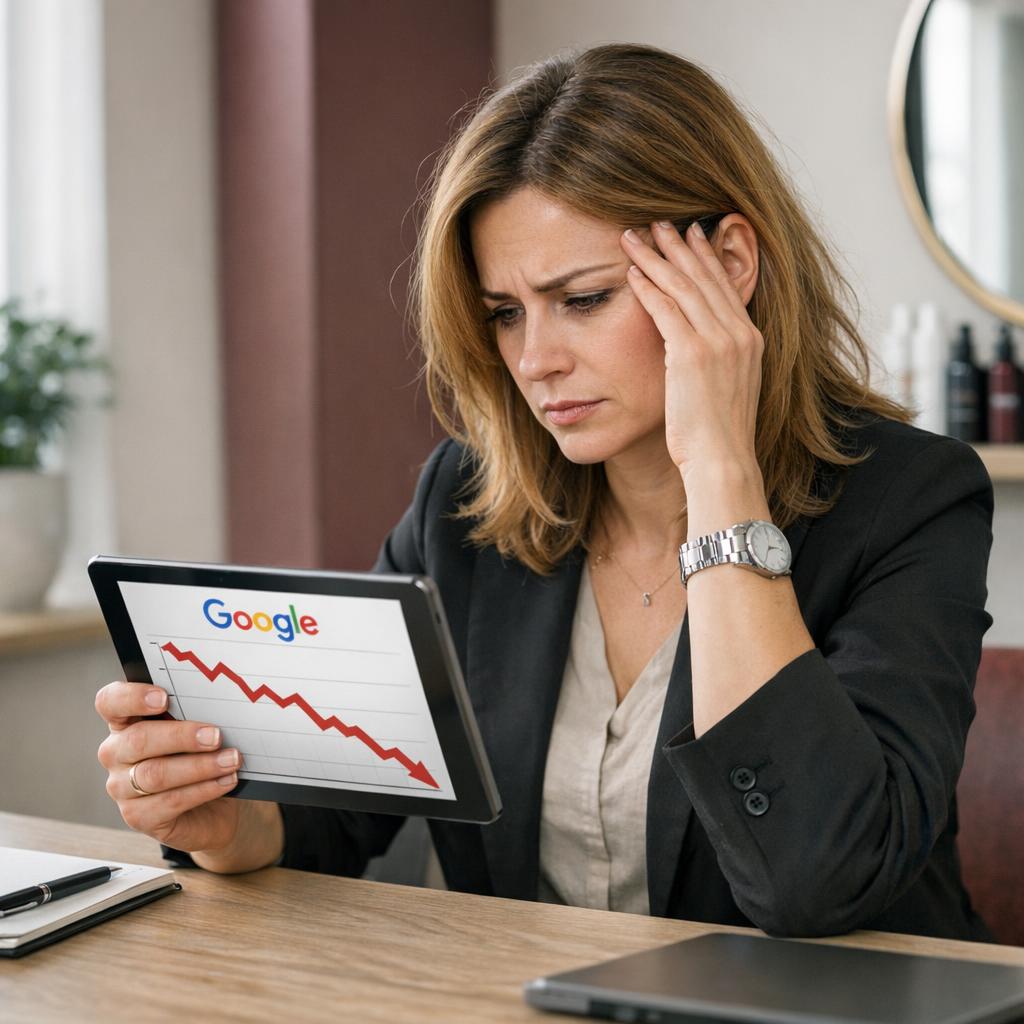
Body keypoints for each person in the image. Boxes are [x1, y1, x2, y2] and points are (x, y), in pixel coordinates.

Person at [94, 43, 993, 940]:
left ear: (727, 264)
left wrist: (720, 473)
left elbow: (816, 881)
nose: (535, 360)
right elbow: (342, 812)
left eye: (585, 299)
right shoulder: (467, 501)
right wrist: (227, 824)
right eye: (506, 314)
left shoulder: (913, 501)